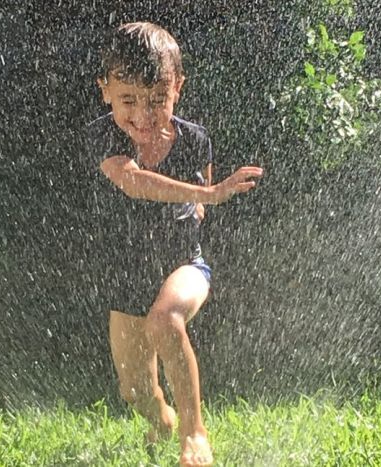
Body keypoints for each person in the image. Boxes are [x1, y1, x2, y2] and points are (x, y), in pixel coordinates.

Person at [93, 22, 262, 467]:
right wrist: (206, 196)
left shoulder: (194, 139)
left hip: (185, 264)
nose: (143, 115)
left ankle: (195, 434)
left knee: (166, 319)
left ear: (178, 89)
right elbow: (132, 182)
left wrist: (201, 202)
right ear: (105, 90)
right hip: (126, 274)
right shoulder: (104, 136)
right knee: (133, 391)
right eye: (128, 100)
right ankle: (163, 420)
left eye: (157, 100)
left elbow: (198, 191)